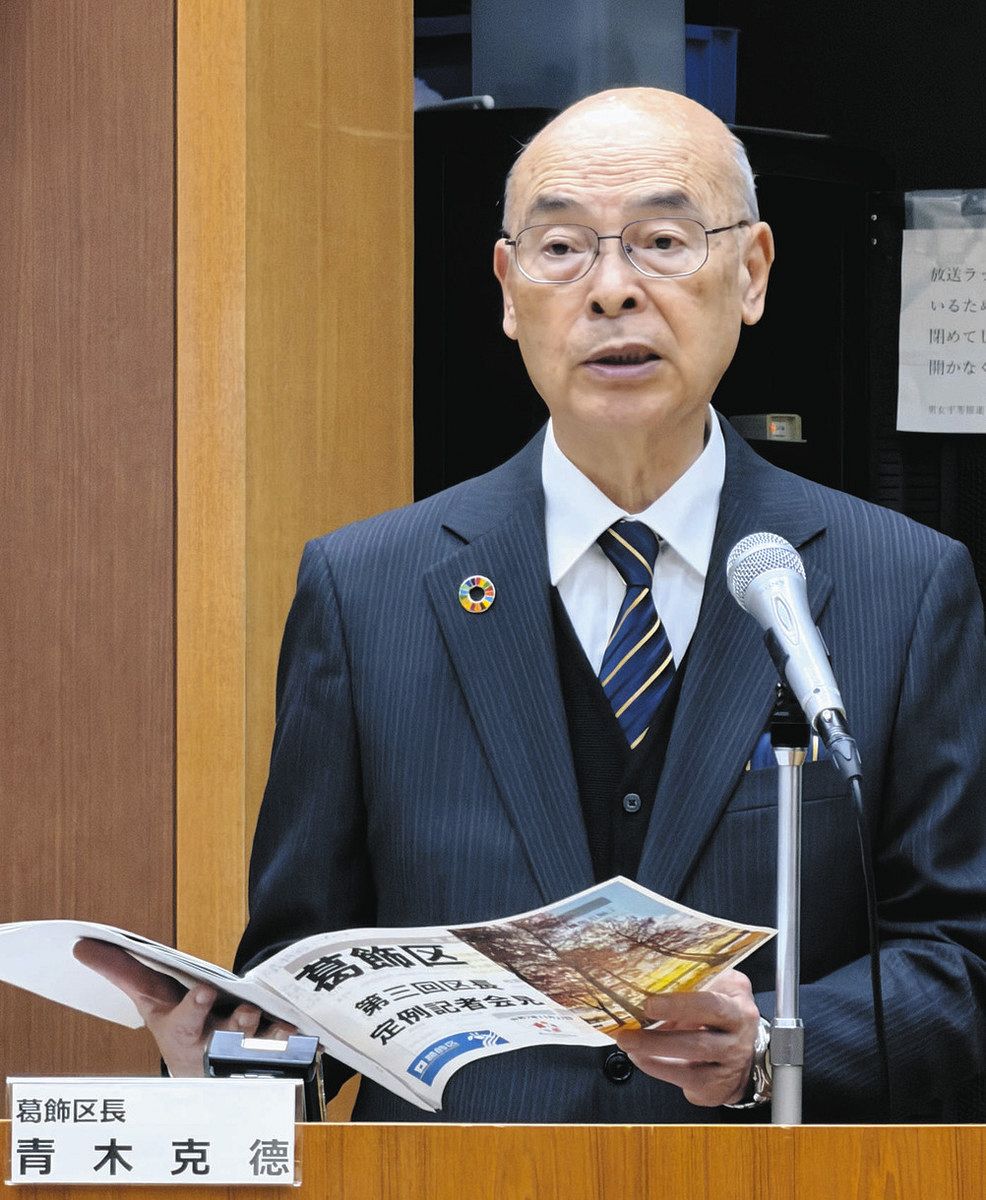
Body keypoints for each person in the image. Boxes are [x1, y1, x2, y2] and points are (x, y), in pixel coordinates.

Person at [80, 87, 986, 1123]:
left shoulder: (901, 584)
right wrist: (217, 1061)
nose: (612, 291)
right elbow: (305, 980)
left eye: (661, 241)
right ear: (509, 291)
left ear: (751, 272)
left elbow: (961, 961)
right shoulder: (366, 588)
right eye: (561, 249)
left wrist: (774, 1046)